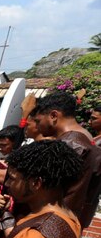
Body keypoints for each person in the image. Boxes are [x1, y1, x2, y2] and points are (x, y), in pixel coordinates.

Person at [31, 91, 101, 228]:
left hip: (52, 224)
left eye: (38, 121)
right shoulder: (82, 141)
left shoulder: (69, 146)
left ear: (53, 116)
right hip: (67, 223)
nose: (37, 127)